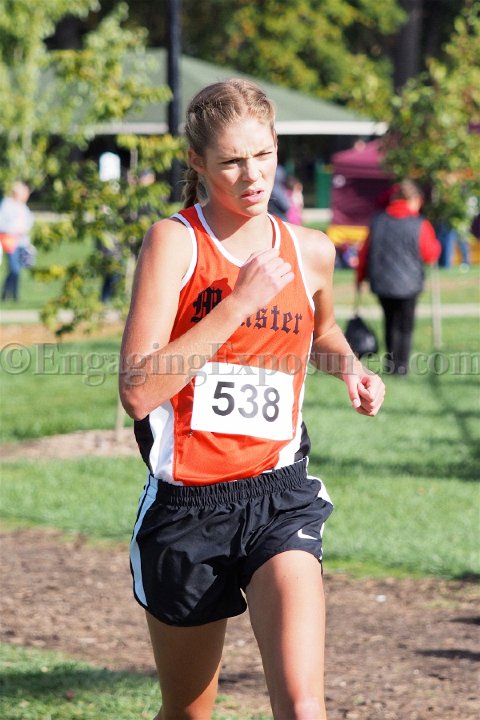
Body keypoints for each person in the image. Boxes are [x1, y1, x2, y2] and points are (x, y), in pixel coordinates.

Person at [119, 78, 385, 720]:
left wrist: (350, 368)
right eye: (232, 161)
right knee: (188, 712)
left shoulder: (310, 251)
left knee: (303, 707)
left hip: (278, 494)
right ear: (197, 162)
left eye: (263, 154)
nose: (253, 175)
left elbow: (322, 332)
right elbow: (138, 390)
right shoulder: (175, 243)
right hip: (187, 508)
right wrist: (238, 302)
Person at [357, 180, 441, 376]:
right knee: (405, 326)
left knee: (389, 322)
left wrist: (360, 278)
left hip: (382, 282)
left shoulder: (378, 221)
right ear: (413, 199)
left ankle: (391, 364)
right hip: (409, 284)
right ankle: (401, 367)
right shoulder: (419, 223)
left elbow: (364, 252)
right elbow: (431, 254)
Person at [0, 181, 34, 302]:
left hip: (22, 242)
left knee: (18, 269)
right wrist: (14, 230)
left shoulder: (24, 208)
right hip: (10, 241)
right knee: (14, 268)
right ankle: (7, 293)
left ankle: (14, 294)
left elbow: (28, 223)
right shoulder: (7, 205)